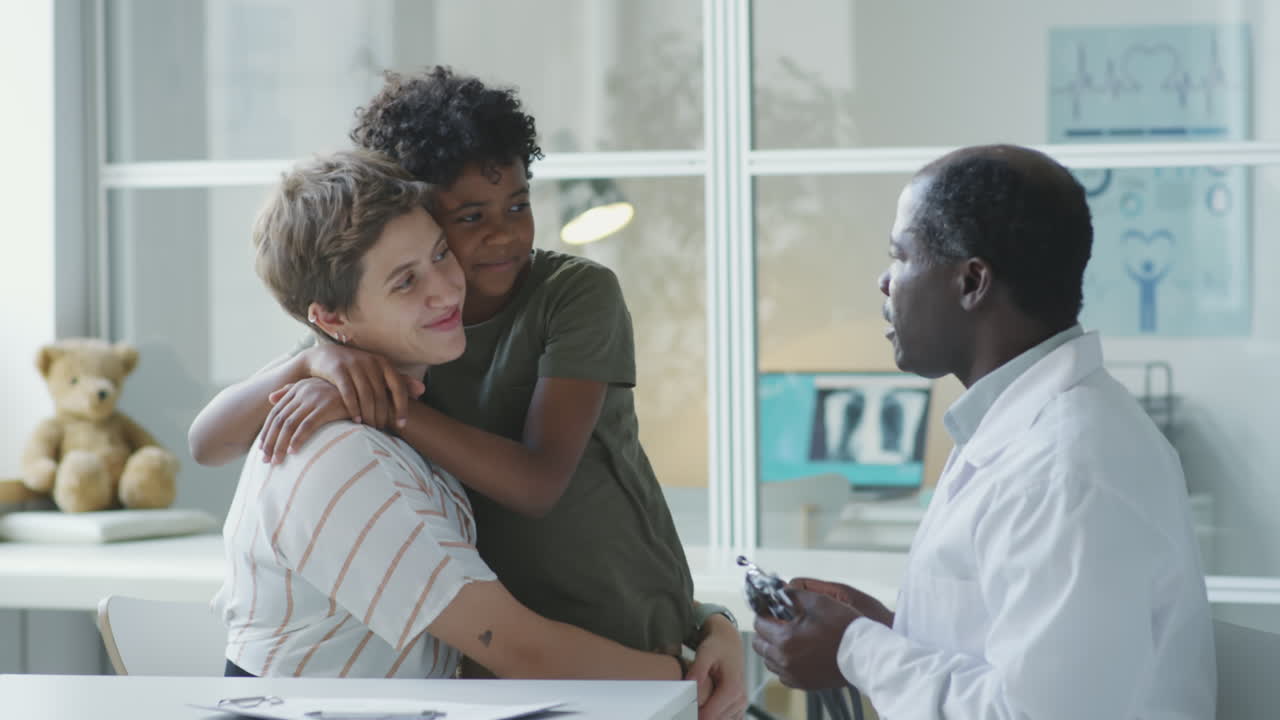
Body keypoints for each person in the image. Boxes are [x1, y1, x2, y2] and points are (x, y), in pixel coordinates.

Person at [189, 68, 746, 717]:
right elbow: (206, 441)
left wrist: (711, 623)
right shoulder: (365, 348)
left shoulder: (562, 298)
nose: (504, 235)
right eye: (469, 218)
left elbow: (538, 484)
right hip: (504, 653)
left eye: (519, 204)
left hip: (619, 625)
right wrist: (312, 365)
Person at [750, 144, 1215, 719]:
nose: (884, 282)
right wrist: (887, 631)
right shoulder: (1022, 429)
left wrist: (855, 650)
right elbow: (1011, 655)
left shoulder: (1065, 472)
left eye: (900, 256)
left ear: (972, 281)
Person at [214, 149, 687, 681]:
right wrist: (685, 679)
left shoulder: (399, 409)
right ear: (332, 320)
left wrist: (704, 631)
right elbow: (514, 648)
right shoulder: (339, 452)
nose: (445, 287)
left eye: (440, 255)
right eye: (405, 282)